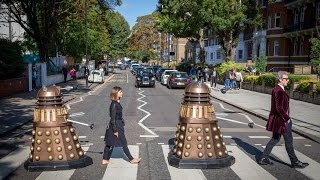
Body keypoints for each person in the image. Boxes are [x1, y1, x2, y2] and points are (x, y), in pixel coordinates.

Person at [258, 71, 309, 169]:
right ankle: (294, 162)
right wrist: (287, 118)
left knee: (275, 139)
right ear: (280, 79)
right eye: (286, 79)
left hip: (278, 120)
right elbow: (279, 107)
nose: (288, 80)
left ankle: (264, 158)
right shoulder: (279, 90)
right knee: (289, 141)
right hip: (282, 121)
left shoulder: (277, 89)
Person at [102, 86, 141, 165]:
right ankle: (131, 159)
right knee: (123, 142)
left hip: (117, 124)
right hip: (116, 125)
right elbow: (112, 118)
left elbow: (117, 115)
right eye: (120, 92)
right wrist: (115, 130)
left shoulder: (116, 103)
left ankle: (105, 159)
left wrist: (121, 120)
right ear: (116, 93)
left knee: (109, 143)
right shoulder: (114, 104)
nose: (122, 93)